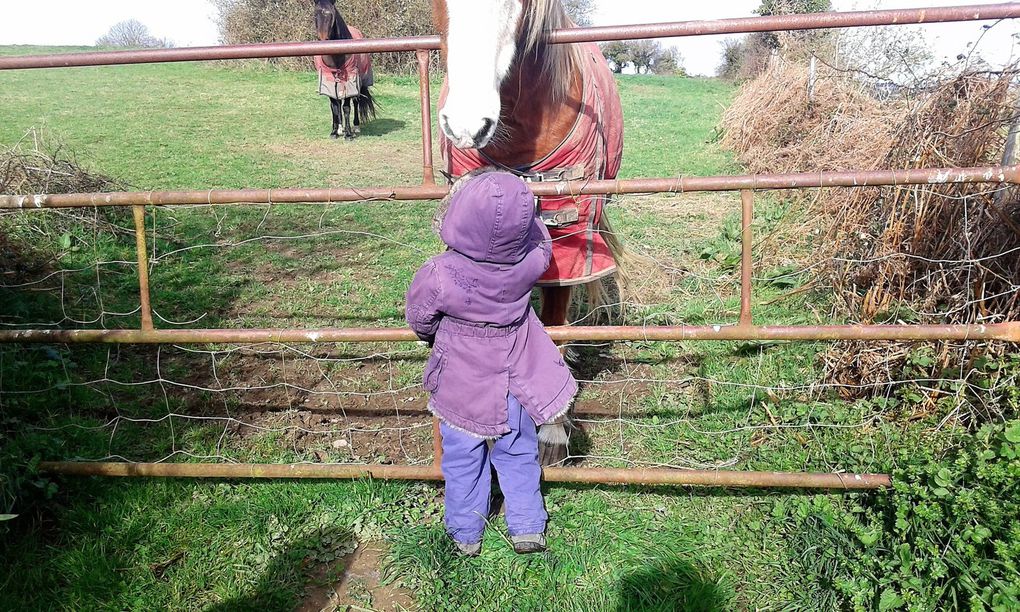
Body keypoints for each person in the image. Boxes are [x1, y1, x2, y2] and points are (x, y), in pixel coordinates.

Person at [405, 170, 577, 556]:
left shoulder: (440, 273)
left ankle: (466, 534)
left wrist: (435, 335)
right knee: (518, 450)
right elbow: (542, 242)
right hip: (514, 377)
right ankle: (528, 526)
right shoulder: (531, 262)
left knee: (463, 457)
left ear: (460, 216)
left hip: (461, 384)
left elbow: (419, 316)